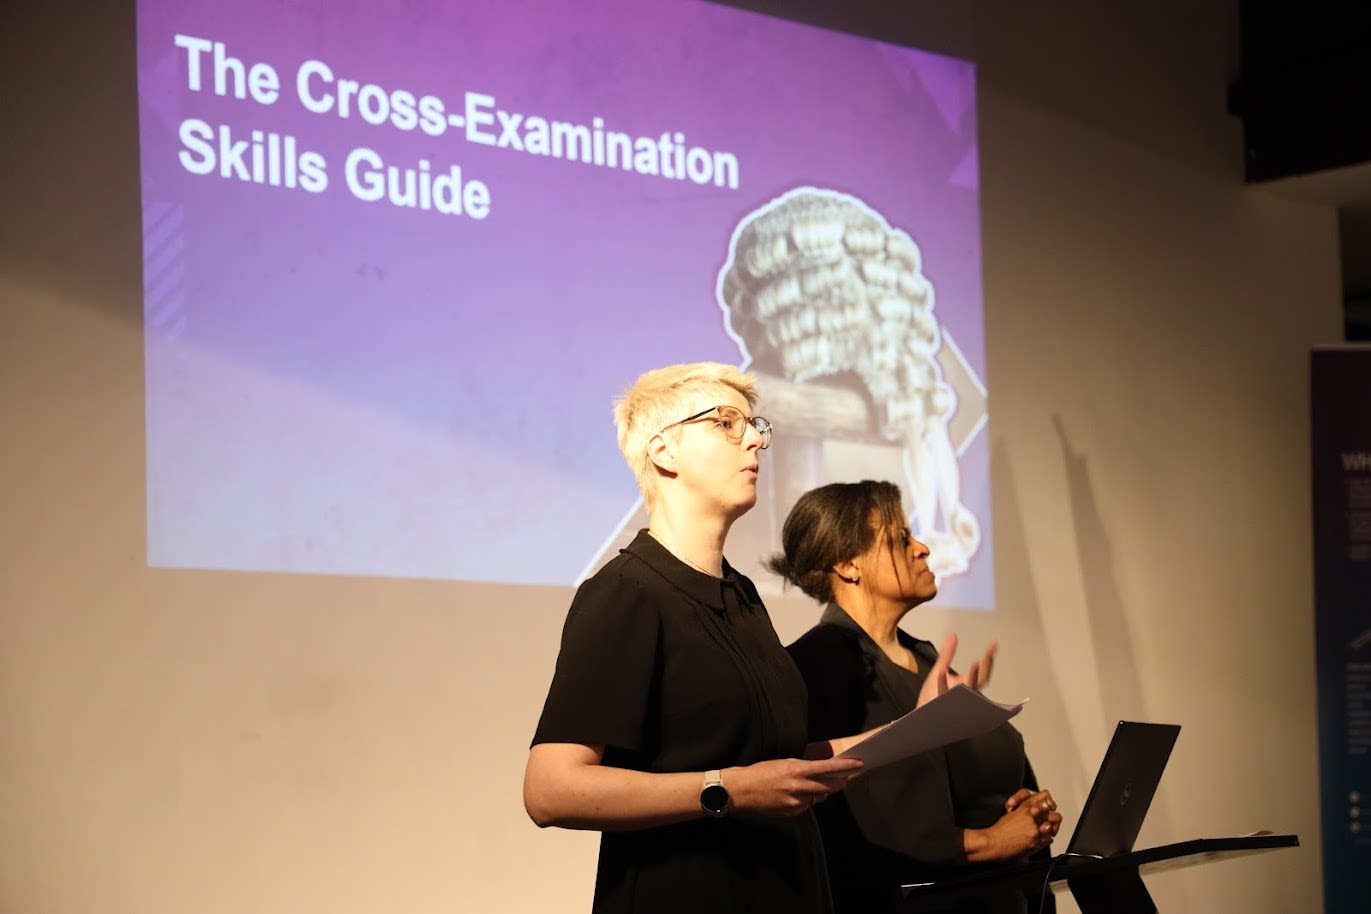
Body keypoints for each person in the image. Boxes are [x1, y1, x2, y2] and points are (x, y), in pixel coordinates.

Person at [525, 363, 961, 914]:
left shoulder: (742, 595)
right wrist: (726, 789)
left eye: (754, 425)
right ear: (664, 452)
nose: (754, 438)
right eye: (726, 423)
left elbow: (776, 763)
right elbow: (550, 789)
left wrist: (917, 729)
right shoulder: (626, 593)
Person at [767, 480, 1062, 914]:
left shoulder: (927, 660)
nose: (922, 547)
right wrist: (989, 842)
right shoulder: (818, 668)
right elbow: (867, 832)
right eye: (900, 539)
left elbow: (980, 778)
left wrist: (1025, 810)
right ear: (849, 565)